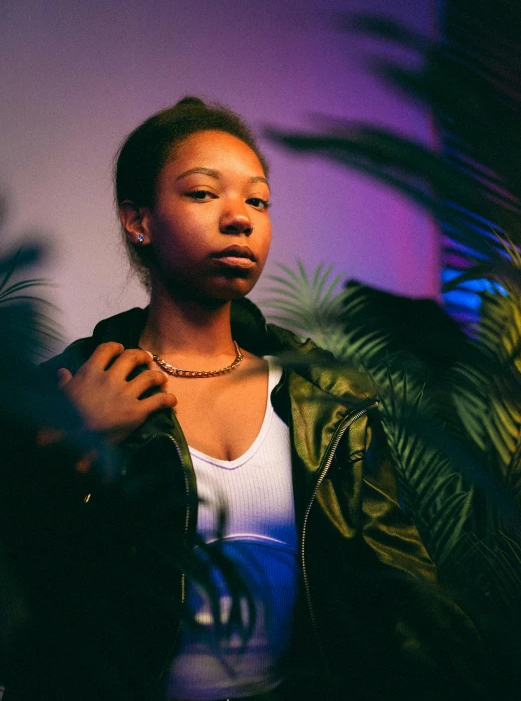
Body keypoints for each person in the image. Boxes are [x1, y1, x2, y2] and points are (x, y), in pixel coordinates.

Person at [32, 98, 480, 701]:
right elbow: (29, 599)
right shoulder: (68, 390)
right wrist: (64, 451)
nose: (240, 218)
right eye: (202, 193)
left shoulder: (326, 396)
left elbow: (399, 593)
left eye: (258, 200)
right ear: (138, 219)